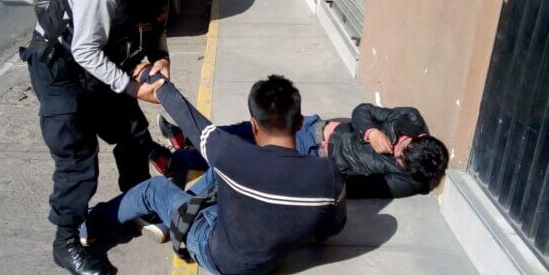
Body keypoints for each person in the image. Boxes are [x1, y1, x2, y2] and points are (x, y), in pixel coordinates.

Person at [19, 0, 197, 275]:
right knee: (77, 157)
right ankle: (65, 241)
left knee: (134, 136)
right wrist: (135, 88)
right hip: (62, 69)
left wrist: (161, 58)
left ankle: (136, 203)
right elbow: (84, 51)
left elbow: (156, 29)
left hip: (102, 64)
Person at [85, 74, 347, 275]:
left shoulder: (235, 156)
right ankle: (170, 222)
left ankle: (87, 224)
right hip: (272, 259)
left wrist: (161, 87)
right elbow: (330, 230)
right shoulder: (328, 176)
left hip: (215, 252)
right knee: (218, 176)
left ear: (254, 125)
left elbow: (194, 124)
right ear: (300, 122)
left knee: (153, 189)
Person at [158, 103, 449, 200]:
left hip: (312, 157)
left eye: (399, 159)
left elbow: (354, 187)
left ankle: (179, 203)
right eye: (402, 146)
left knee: (240, 162)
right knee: (244, 131)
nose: (395, 151)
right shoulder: (408, 119)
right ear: (419, 136)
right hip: (314, 127)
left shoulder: (408, 180)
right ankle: (183, 157)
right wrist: (371, 132)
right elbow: (363, 111)